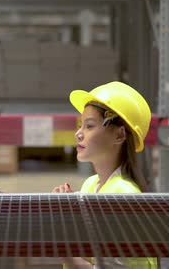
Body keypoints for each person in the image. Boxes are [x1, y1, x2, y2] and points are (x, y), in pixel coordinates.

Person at [52, 81, 157, 269]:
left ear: (119, 135)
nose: (78, 133)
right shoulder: (91, 185)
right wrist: (65, 214)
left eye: (89, 126)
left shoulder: (123, 196)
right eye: (80, 126)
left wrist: (64, 250)